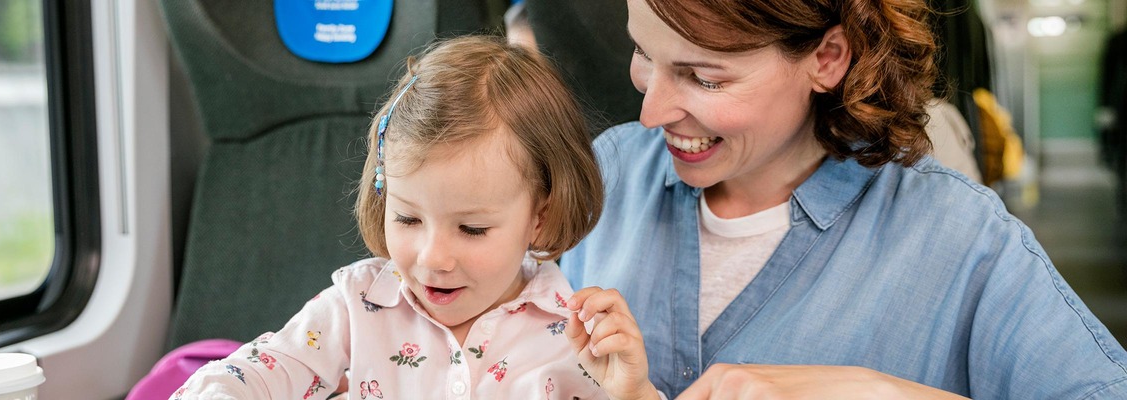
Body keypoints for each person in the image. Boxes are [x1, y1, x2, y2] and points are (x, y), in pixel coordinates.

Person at [560, 0, 1127, 399]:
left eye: (704, 78)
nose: (650, 114)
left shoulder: (958, 235)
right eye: (642, 53)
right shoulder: (610, 171)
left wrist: (880, 393)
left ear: (827, 59)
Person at [171, 35, 656, 400]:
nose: (433, 258)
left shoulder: (576, 337)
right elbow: (255, 372)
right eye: (407, 219)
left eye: (472, 228)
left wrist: (633, 393)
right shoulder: (356, 306)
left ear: (540, 219)